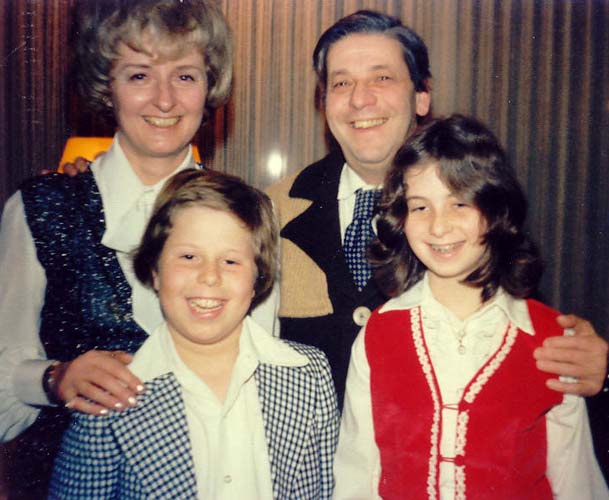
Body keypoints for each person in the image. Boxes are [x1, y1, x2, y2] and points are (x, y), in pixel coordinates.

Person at [266, 9, 608, 408]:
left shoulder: (471, 209)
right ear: (324, 102)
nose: (360, 99)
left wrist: (592, 367)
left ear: (421, 96)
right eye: (342, 83)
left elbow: (530, 343)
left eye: (382, 78)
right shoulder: (271, 209)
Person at [0, 0, 232, 496]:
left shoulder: (244, 216)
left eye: (185, 76)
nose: (165, 100)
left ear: (209, 87)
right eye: (140, 75)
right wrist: (54, 378)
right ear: (107, 86)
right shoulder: (39, 209)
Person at [332, 115, 608, 499]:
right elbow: (356, 477)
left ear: (496, 209)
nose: (439, 227)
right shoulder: (378, 335)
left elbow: (577, 482)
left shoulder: (551, 341)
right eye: (420, 207)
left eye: (459, 203)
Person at [49, 169, 339, 499]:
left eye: (231, 261)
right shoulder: (107, 396)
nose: (209, 276)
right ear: (155, 271)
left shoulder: (310, 375)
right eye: (189, 257)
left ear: (258, 279)